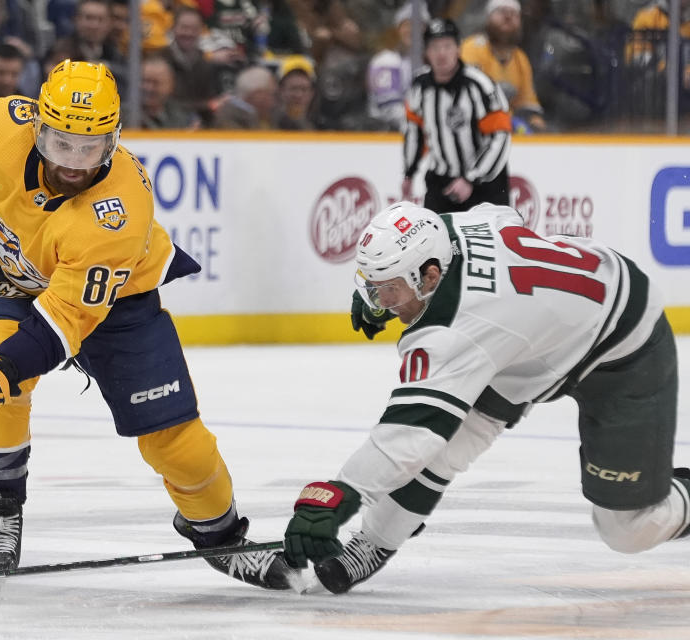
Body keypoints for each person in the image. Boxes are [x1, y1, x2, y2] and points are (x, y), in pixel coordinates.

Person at [0, 59, 296, 590]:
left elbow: (61, 325)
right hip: (15, 268)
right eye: (61, 144)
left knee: (176, 442)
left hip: (119, 301)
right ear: (37, 126)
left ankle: (220, 534)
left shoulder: (119, 210)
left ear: (113, 141)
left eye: (89, 149)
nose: (73, 165)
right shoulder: (2, 125)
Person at [282, 200, 690, 594]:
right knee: (449, 445)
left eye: (388, 290)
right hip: (538, 339)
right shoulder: (447, 229)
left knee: (628, 529)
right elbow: (499, 214)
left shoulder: (455, 328)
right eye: (373, 288)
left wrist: (339, 494)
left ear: (429, 277)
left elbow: (410, 434)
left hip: (624, 349)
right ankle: (375, 541)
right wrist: (384, 295)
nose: (382, 302)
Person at [402, 18, 511, 213]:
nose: (441, 53)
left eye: (447, 46)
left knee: (488, 243)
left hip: (486, 186)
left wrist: (471, 178)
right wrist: (409, 173)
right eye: (434, 47)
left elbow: (500, 136)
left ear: (458, 49)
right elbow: (415, 132)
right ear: (426, 52)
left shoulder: (480, 85)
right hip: (441, 183)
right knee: (435, 241)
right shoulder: (420, 87)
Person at [460, 0, 546, 132]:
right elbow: (466, 99)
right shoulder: (472, 48)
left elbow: (527, 103)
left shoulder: (520, 59)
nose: (508, 17)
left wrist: (536, 124)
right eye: (501, 12)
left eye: (513, 13)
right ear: (488, 18)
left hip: (508, 132)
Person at [366, 2, 429, 132]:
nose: (412, 29)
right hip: (386, 134)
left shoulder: (434, 63)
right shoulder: (384, 61)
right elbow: (388, 107)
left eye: (418, 25)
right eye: (407, 25)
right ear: (398, 29)